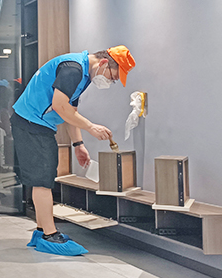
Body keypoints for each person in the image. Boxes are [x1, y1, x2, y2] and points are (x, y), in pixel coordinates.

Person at [11, 46, 135, 255]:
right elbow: (59, 106)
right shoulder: (73, 69)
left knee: (43, 178)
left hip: (37, 124)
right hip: (30, 123)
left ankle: (41, 232)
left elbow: (70, 111)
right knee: (42, 180)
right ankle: (49, 235)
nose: (110, 82)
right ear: (104, 63)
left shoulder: (83, 74)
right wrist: (91, 127)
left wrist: (78, 145)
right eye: (112, 77)